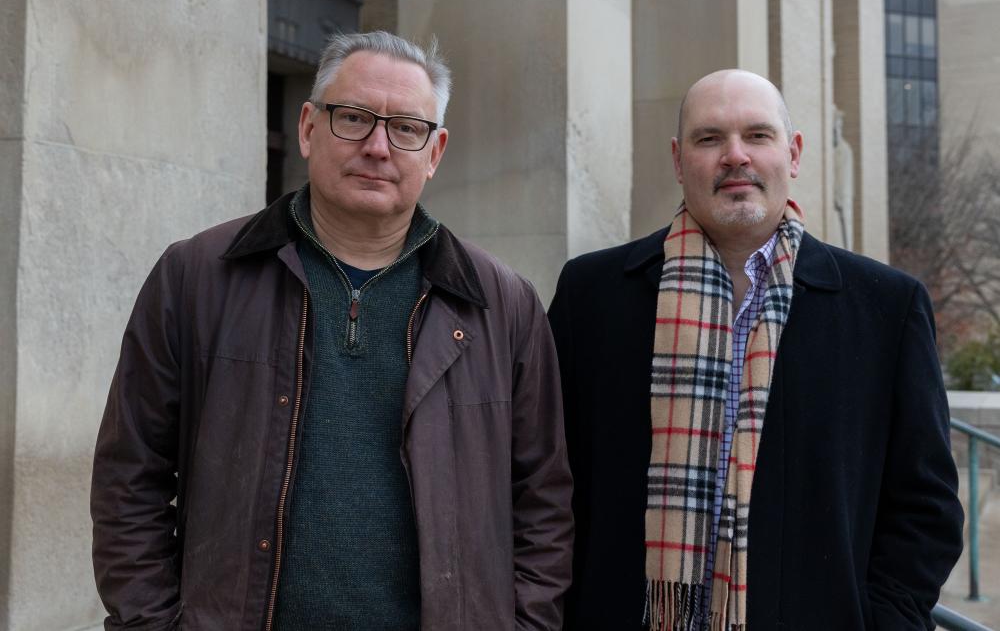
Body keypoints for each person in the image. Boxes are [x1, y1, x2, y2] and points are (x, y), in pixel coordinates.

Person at [91, 31, 573, 630]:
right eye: (353, 118)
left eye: (406, 128)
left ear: (435, 152)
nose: (378, 146)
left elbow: (542, 505)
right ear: (308, 127)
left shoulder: (503, 305)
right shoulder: (197, 276)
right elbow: (128, 478)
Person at [548, 69, 963, 630]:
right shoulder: (591, 296)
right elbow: (546, 486)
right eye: (709, 138)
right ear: (678, 161)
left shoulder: (888, 308)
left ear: (793, 154)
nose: (735, 155)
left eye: (758, 135)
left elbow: (925, 507)